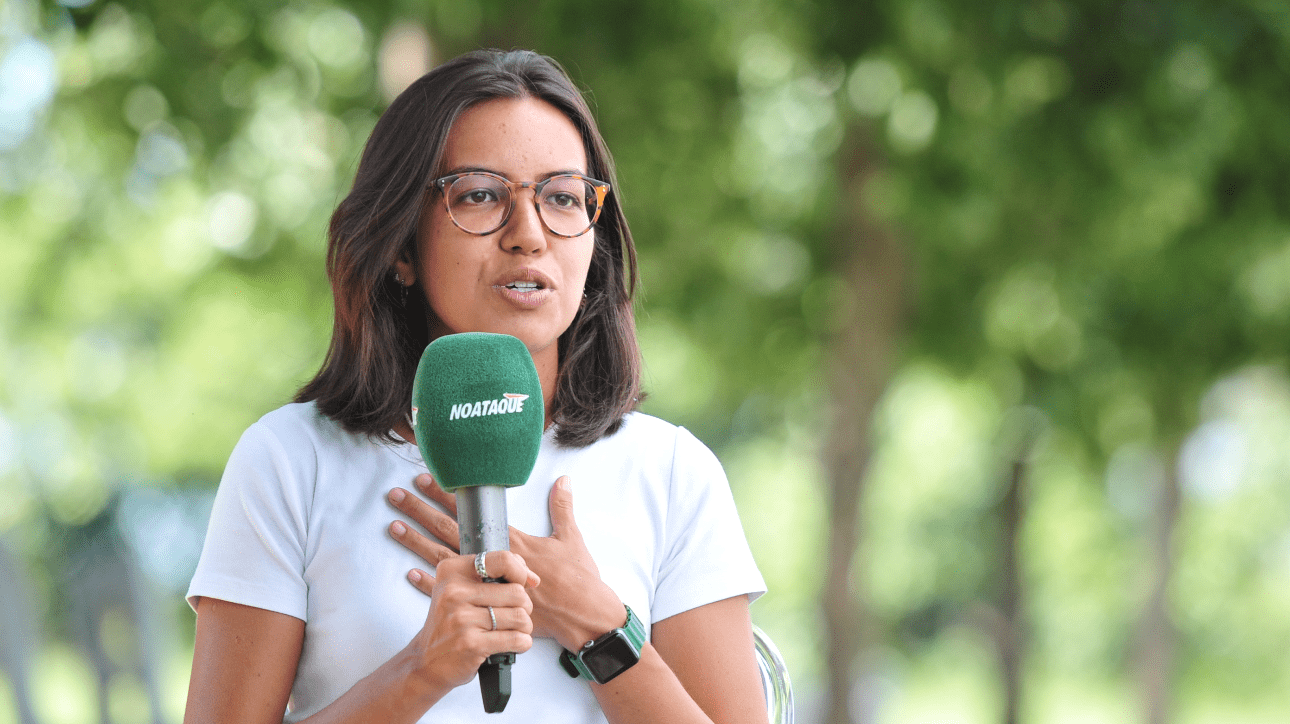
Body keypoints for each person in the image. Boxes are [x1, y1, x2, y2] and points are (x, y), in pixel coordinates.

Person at [183, 49, 767, 724]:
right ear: (402, 245)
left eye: (562, 197)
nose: (529, 235)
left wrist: (597, 624)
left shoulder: (670, 473)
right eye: (480, 195)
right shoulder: (290, 462)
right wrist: (422, 669)